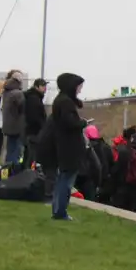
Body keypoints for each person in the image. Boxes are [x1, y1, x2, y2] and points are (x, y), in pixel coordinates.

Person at [45, 72, 88, 221]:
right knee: (66, 181)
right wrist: (83, 123)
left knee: (62, 179)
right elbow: (70, 123)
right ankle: (60, 211)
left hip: (64, 146)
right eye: (79, 86)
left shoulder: (61, 101)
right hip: (69, 147)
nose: (80, 90)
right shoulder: (65, 102)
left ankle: (57, 209)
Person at [0, 73, 25, 166]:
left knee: (10, 149)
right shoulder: (17, 93)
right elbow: (23, 107)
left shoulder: (6, 92)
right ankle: (14, 171)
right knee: (17, 150)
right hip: (17, 125)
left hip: (8, 125)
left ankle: (7, 170)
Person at [23, 78, 48, 168]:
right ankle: (28, 173)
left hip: (32, 130)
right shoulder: (33, 98)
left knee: (30, 154)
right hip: (34, 131)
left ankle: (27, 172)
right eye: (43, 86)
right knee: (32, 155)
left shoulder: (35, 97)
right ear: (36, 87)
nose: (45, 88)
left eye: (45, 86)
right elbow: (34, 116)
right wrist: (43, 126)